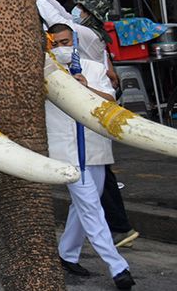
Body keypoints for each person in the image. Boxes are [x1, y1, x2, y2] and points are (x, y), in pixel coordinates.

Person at [45, 23, 134, 289]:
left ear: (73, 40)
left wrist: (84, 88)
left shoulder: (93, 68)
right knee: (91, 208)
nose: (62, 48)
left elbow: (110, 100)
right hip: (66, 152)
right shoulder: (46, 72)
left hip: (96, 150)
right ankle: (118, 267)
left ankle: (66, 253)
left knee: (84, 205)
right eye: (56, 43)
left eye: (65, 42)